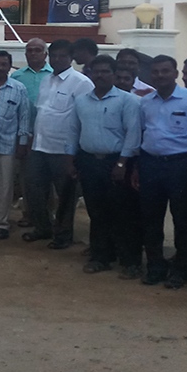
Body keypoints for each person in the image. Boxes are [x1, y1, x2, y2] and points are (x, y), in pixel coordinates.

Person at [134, 55, 187, 288]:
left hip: (181, 165)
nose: (160, 75)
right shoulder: (145, 102)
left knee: (183, 219)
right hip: (150, 164)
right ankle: (155, 267)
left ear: (175, 73)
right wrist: (137, 168)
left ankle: (180, 270)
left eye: (165, 71)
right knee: (150, 218)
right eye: (156, 72)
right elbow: (142, 134)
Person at [68, 55, 142, 275]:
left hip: (117, 162)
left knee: (123, 213)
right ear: (90, 74)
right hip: (89, 162)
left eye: (105, 71)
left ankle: (130, 262)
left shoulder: (128, 100)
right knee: (96, 212)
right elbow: (73, 131)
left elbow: (133, 134)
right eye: (96, 71)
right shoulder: (81, 100)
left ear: (114, 74)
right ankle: (101, 257)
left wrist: (122, 163)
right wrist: (70, 159)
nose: (100, 75)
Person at [23, 39, 93, 249]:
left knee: (65, 195)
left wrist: (76, 152)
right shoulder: (47, 80)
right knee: (35, 189)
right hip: (39, 146)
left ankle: (63, 235)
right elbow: (42, 112)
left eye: (62, 56)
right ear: (48, 57)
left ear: (71, 58)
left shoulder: (81, 83)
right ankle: (42, 228)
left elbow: (85, 118)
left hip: (63, 150)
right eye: (54, 55)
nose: (57, 59)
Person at [0, 50, 31, 239]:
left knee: (4, 187)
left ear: (10, 67)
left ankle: (1, 223)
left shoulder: (19, 88)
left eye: (4, 64)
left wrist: (22, 143)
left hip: (7, 145)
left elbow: (24, 118)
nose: (0, 68)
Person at [9, 37, 51, 106]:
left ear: (45, 54)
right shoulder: (16, 76)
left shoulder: (54, 74)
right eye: (29, 50)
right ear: (25, 54)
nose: (33, 53)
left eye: (37, 50)